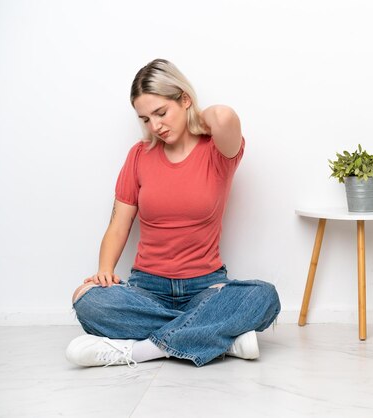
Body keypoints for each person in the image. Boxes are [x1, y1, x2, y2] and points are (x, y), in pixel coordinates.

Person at [66, 59, 281, 368]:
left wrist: (196, 119)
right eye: (145, 119)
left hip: (206, 287)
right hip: (145, 289)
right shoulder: (139, 156)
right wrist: (104, 269)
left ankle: (139, 351)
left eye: (161, 113)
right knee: (86, 299)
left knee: (264, 296)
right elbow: (118, 225)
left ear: (184, 99)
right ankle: (220, 337)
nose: (155, 126)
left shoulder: (217, 152)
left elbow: (223, 116)